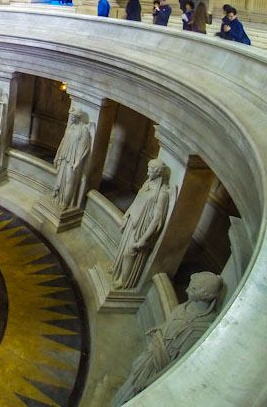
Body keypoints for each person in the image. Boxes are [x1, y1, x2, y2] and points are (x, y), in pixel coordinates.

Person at [113, 272, 223, 406]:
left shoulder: (200, 328)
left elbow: (178, 362)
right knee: (129, 385)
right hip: (151, 354)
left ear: (205, 295)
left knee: (132, 396)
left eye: (193, 288)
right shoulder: (188, 305)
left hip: (157, 366)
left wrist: (152, 381)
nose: (187, 290)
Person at [109, 159, 169, 290]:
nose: (148, 172)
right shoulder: (148, 183)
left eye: (151, 170)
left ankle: (124, 281)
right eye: (148, 169)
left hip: (142, 227)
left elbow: (157, 220)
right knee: (124, 248)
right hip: (133, 221)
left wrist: (143, 239)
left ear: (159, 173)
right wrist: (127, 214)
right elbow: (138, 200)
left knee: (129, 253)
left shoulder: (162, 193)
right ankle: (119, 274)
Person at [52, 108, 92, 210]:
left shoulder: (84, 130)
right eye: (71, 116)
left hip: (73, 159)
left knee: (69, 180)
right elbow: (63, 141)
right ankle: (59, 199)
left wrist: (77, 163)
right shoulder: (70, 127)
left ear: (79, 117)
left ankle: (66, 202)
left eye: (74, 116)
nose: (72, 118)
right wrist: (57, 155)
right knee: (60, 179)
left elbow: (83, 149)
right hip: (63, 155)